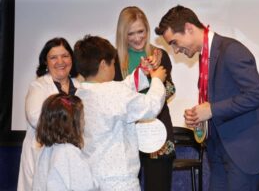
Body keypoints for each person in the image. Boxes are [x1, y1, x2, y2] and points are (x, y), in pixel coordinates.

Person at [155, 5, 259, 191]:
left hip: (243, 154)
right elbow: (218, 99)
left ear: (189, 28)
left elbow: (256, 95)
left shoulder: (231, 50)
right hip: (218, 152)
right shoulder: (205, 56)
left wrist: (212, 109)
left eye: (174, 42)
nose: (174, 50)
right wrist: (200, 117)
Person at [74, 35, 167, 191]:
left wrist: (141, 72)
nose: (114, 68)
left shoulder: (80, 94)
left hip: (91, 178)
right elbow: (151, 106)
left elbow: (122, 89)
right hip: (120, 181)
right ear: (103, 65)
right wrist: (157, 80)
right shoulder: (113, 92)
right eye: (113, 64)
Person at [115, 6, 176, 191]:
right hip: (126, 136)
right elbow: (113, 97)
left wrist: (155, 77)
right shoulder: (113, 60)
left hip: (157, 135)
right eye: (130, 33)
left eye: (140, 31)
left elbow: (171, 91)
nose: (137, 38)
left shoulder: (160, 55)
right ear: (122, 35)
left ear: (147, 30)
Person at [17, 37, 81, 191]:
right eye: (53, 57)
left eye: (65, 56)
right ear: (46, 62)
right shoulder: (38, 86)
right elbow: (35, 117)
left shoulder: (81, 86)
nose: (61, 61)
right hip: (44, 156)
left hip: (74, 158)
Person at [32, 94, 97, 190]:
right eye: (82, 118)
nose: (84, 122)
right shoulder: (69, 152)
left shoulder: (45, 151)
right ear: (71, 124)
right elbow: (85, 186)